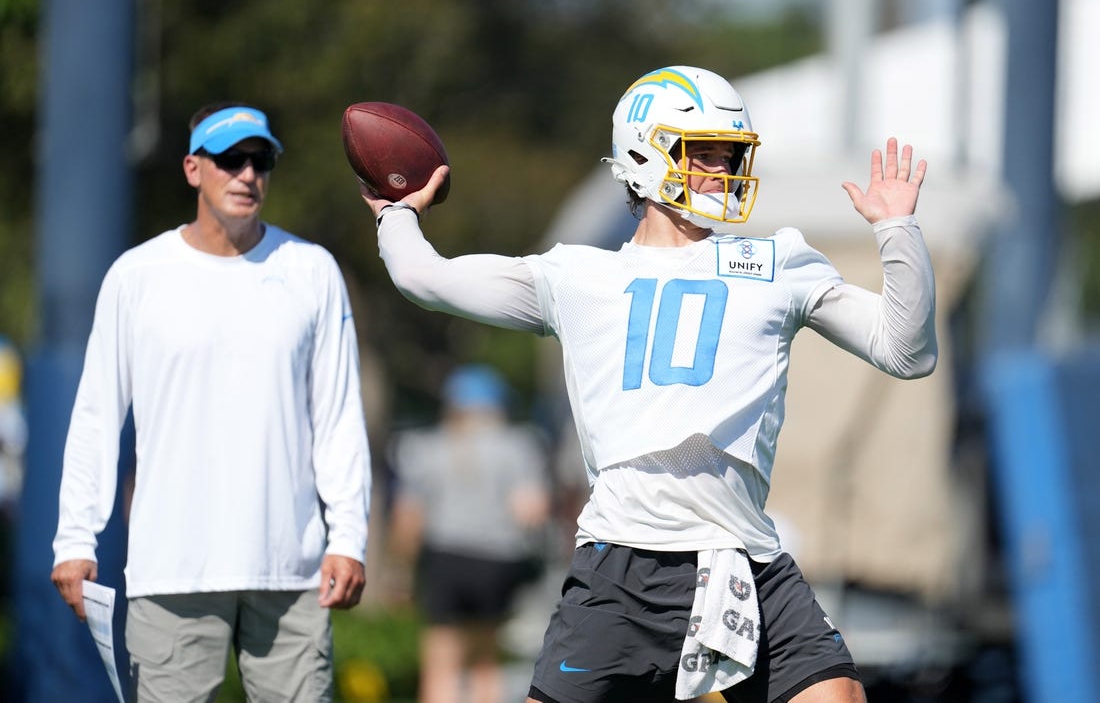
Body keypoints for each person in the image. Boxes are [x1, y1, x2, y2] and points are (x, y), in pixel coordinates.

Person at [361, 65, 936, 703]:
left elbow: (905, 351)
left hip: (741, 552)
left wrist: (897, 230)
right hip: (624, 563)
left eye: (730, 155)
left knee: (839, 699)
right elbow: (426, 278)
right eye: (704, 154)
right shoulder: (578, 276)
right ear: (644, 155)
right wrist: (397, 213)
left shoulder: (780, 264)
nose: (723, 171)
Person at [51, 102, 372, 702]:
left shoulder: (311, 271)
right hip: (173, 571)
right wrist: (75, 539)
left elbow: (337, 420)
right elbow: (96, 416)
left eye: (260, 160)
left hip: (290, 573)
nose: (247, 175)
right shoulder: (137, 276)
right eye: (230, 160)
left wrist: (347, 537)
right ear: (194, 169)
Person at [388, 363, 551, 703]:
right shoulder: (517, 445)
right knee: (485, 663)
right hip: (497, 561)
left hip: (444, 559)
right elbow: (530, 511)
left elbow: (409, 517)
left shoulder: (427, 446)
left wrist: (401, 572)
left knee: (440, 665)